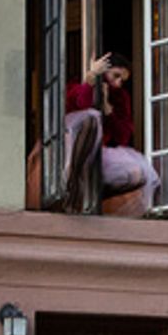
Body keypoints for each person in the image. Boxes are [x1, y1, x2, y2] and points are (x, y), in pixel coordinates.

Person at [62, 52, 160, 215]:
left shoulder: (120, 97)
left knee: (141, 173)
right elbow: (80, 105)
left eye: (122, 80)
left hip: (99, 154)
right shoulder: (76, 84)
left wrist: (109, 111)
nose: (118, 83)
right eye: (115, 76)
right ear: (104, 70)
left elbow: (123, 136)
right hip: (69, 146)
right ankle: (72, 189)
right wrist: (91, 79)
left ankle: (93, 198)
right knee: (92, 117)